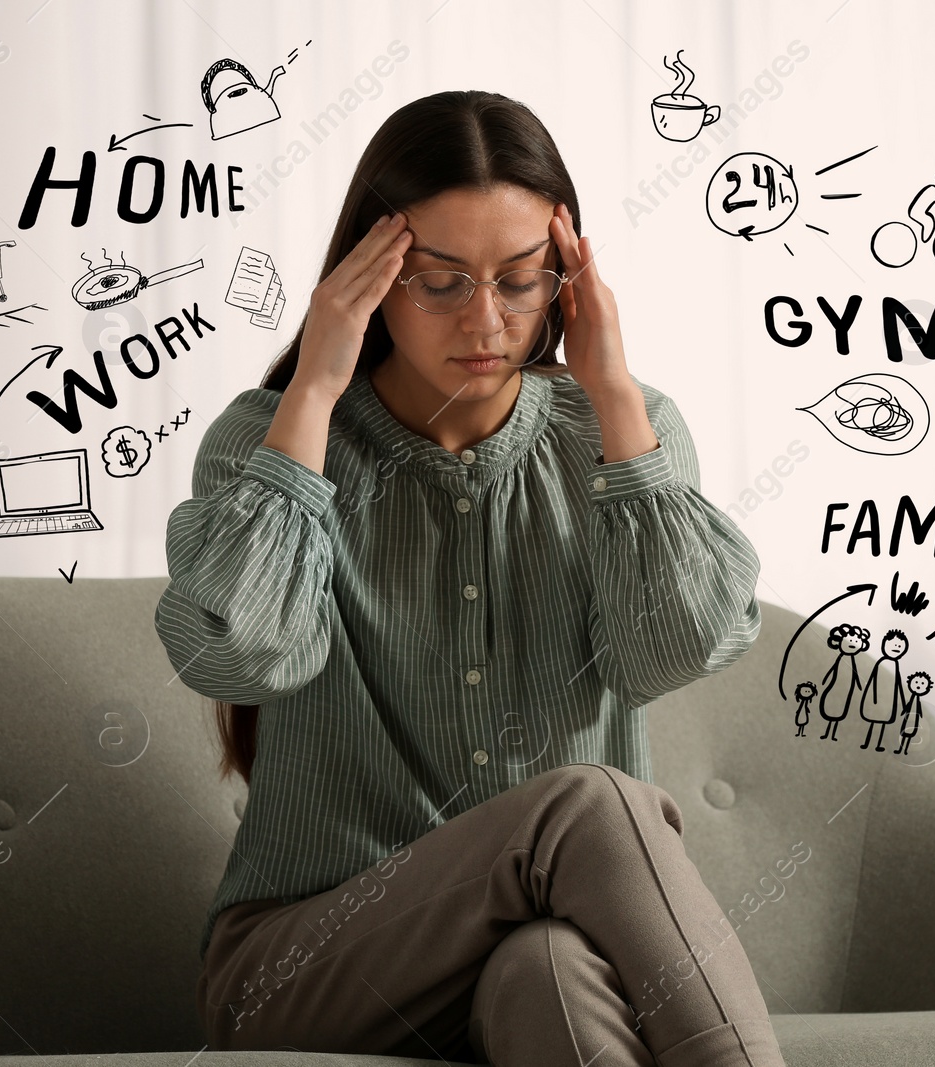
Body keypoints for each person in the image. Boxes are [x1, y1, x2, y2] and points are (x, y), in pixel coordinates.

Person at [153, 90, 785, 1067]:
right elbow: (241, 654)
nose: (486, 320)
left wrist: (612, 390)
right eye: (440, 282)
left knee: (549, 972)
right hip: (306, 967)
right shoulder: (269, 438)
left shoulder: (619, 432)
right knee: (593, 803)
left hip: (527, 955)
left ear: (567, 281)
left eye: (521, 281)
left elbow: (675, 649)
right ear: (366, 276)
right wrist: (316, 387)